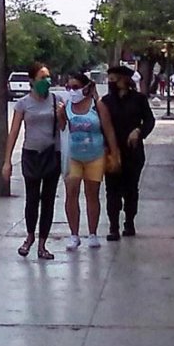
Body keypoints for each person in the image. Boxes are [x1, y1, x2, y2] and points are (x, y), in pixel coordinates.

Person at [3, 62, 65, 261]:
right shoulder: (23, 104)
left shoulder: (57, 100)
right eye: (42, 77)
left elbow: (63, 127)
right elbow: (13, 132)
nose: (46, 81)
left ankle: (42, 244)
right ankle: (30, 236)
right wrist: (7, 161)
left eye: (48, 77)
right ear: (32, 80)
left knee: (48, 200)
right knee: (32, 199)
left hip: (51, 155)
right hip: (31, 155)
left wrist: (61, 115)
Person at [62, 73, 119, 251]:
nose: (73, 91)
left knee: (92, 194)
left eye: (76, 87)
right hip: (73, 156)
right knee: (71, 193)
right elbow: (62, 129)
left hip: (95, 155)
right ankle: (74, 234)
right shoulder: (66, 106)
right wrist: (60, 115)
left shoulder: (98, 105)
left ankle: (92, 234)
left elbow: (109, 130)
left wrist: (115, 154)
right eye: (69, 88)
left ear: (86, 88)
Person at [102, 64, 156, 239]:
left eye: (114, 79)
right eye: (109, 79)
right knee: (112, 189)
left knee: (131, 189)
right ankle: (113, 226)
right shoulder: (106, 102)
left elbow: (149, 120)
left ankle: (130, 222)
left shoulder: (139, 99)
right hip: (112, 151)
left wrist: (139, 131)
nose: (111, 83)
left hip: (133, 151)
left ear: (124, 80)